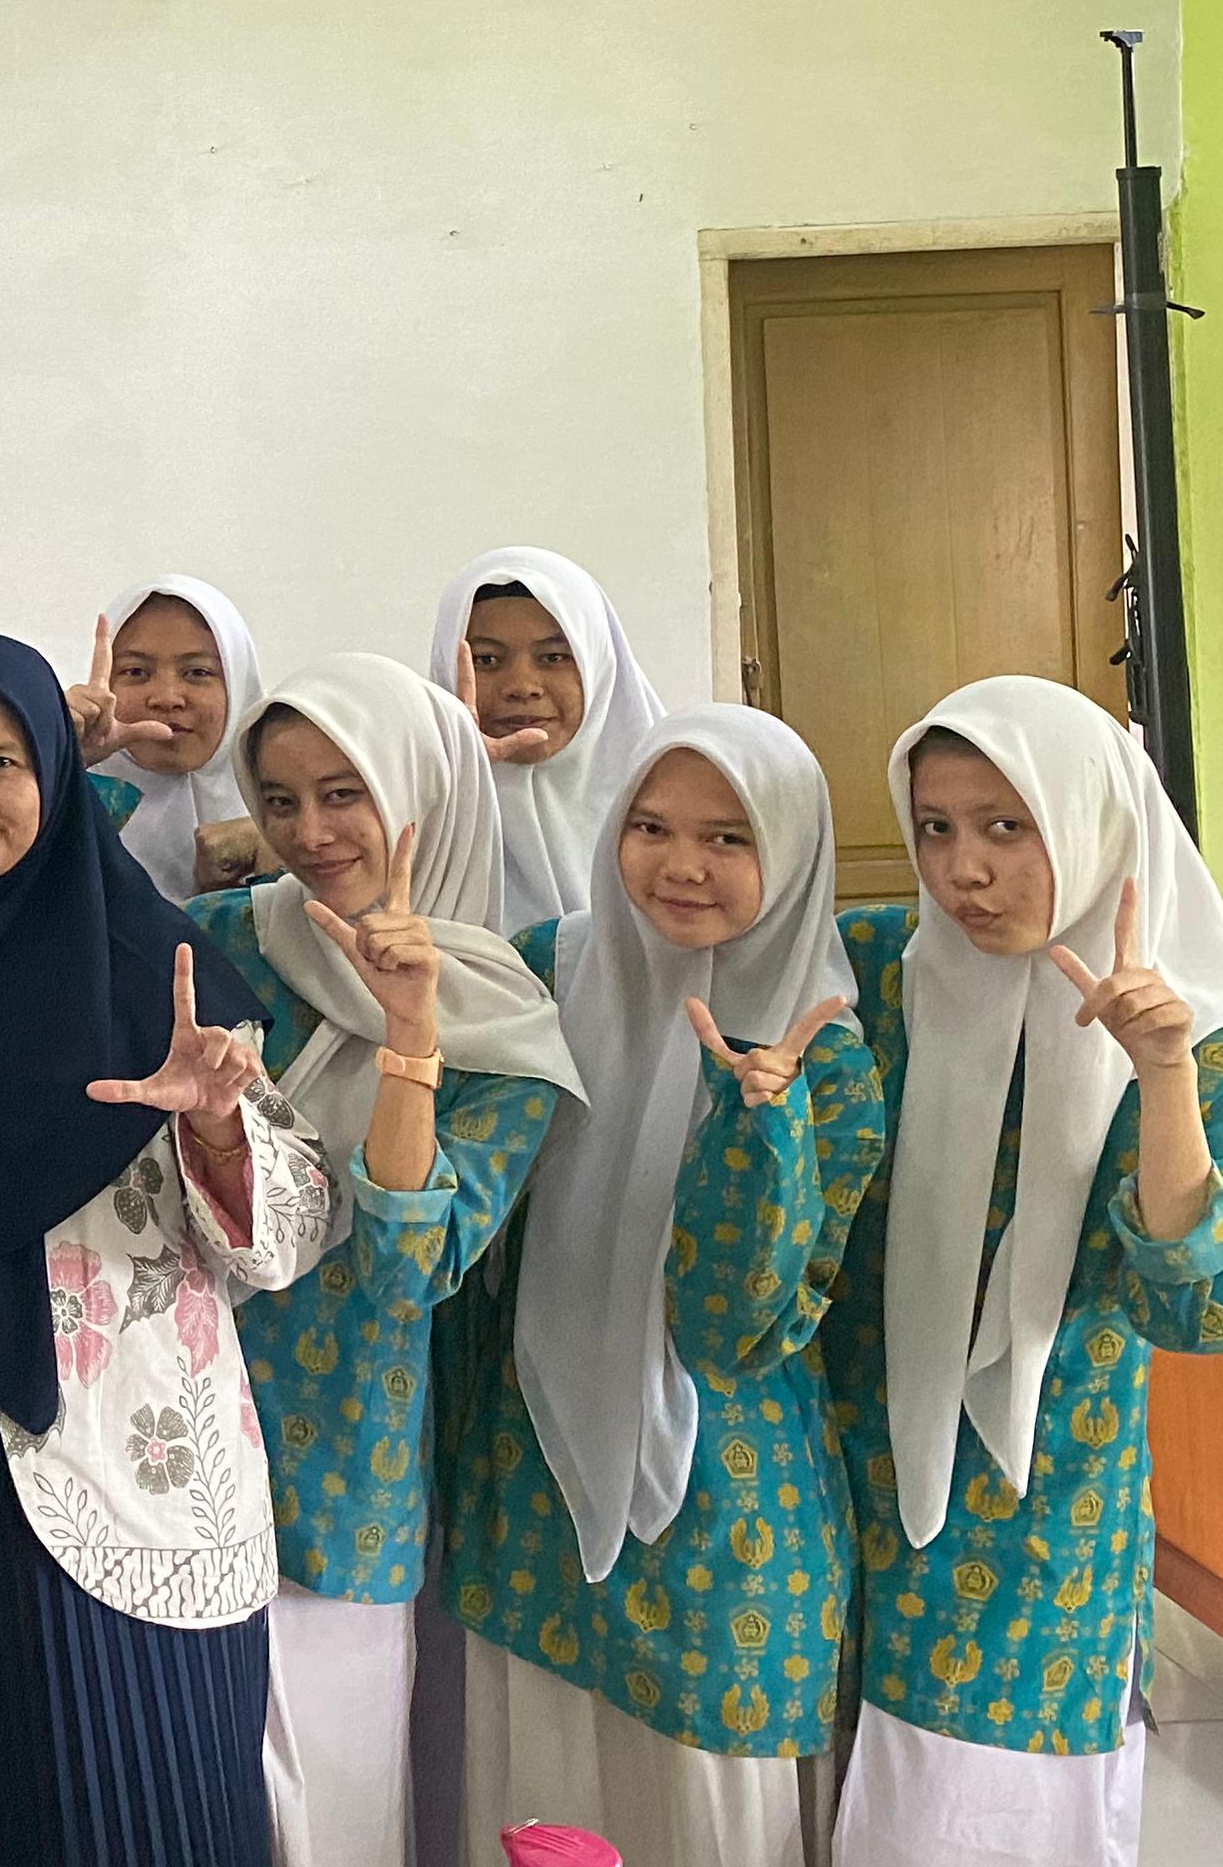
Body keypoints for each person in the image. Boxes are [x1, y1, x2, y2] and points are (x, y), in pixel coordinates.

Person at [0, 632, 338, 1867]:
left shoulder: (153, 965)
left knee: (156, 1817)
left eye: (1, 761)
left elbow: (295, 1230)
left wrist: (215, 1127)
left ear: (54, 774)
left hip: (144, 1478)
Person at [822, 680, 1223, 1865]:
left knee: (974, 1825)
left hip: (1042, 1507)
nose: (964, 871)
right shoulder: (879, 978)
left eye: (1007, 827)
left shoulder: (1201, 1036)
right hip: (838, 1476)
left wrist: (1163, 1076)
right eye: (936, 827)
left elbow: (1209, 1311)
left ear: (1094, 824)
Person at [441, 708, 873, 1867]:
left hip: (729, 1509)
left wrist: (759, 1125)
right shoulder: (547, 969)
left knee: (701, 1817)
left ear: (792, 852)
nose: (682, 865)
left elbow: (739, 1327)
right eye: (650, 826)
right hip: (530, 1474)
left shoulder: (826, 1053)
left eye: (730, 838)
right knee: (540, 1805)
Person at [181, 653, 580, 1867]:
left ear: (424, 792)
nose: (310, 834)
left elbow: (415, 1271)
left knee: (338, 1822)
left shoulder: (501, 1014)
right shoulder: (218, 944)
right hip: (176, 1455)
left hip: (351, 1468)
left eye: (345, 793)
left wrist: (412, 1026)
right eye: (280, 799)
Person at [428, 550, 667, 928]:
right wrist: (450, 782)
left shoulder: (678, 813)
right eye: (486, 660)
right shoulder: (410, 817)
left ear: (598, 665)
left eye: (554, 657)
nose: (522, 686)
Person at [84, 580, 263, 902]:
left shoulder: (301, 809)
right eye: (135, 671)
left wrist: (276, 846)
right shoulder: (60, 812)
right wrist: (62, 764)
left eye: (197, 672)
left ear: (239, 686)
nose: (166, 698)